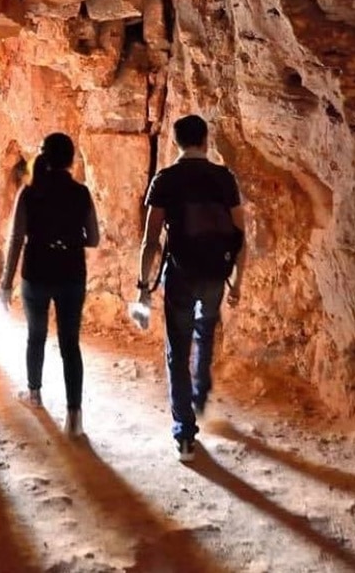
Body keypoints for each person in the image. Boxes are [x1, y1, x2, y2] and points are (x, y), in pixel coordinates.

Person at [136, 115, 246, 462]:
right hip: (216, 274)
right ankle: (200, 392)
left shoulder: (165, 179)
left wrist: (143, 287)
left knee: (177, 350)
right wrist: (237, 282)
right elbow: (241, 237)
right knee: (206, 327)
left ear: (177, 140)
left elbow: (150, 240)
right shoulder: (224, 179)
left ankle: (185, 434)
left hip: (181, 275)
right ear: (205, 139)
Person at [0, 133, 100, 437]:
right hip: (71, 272)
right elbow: (93, 238)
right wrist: (70, 240)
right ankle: (74, 416)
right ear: (71, 160)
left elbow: (16, 239)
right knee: (71, 344)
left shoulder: (29, 193)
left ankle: (34, 394)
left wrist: (5, 283)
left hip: (37, 272)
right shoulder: (81, 193)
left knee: (36, 335)